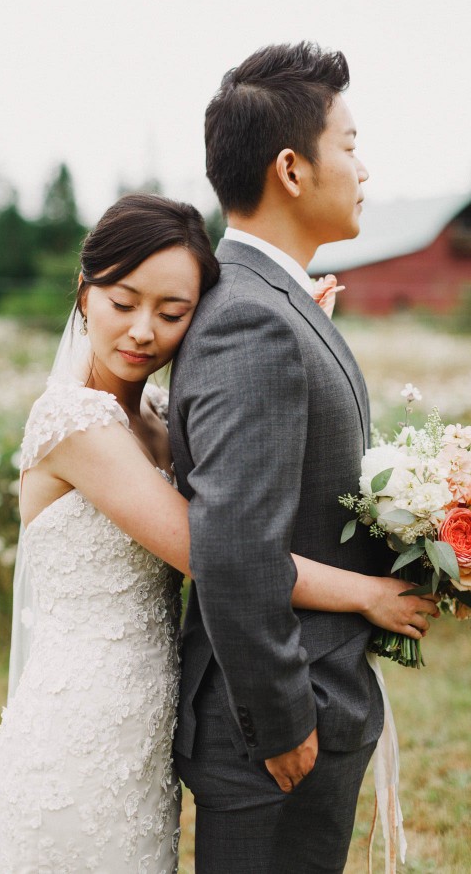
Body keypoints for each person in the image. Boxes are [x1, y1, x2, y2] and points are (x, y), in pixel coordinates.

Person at [0, 190, 435, 873]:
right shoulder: (75, 426)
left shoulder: (161, 417)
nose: (142, 331)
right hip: (80, 730)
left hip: (149, 728)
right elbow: (214, 550)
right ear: (83, 295)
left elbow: (244, 481)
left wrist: (292, 337)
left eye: (172, 313)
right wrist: (365, 593)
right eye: (122, 303)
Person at [167, 42, 439, 873]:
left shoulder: (275, 298)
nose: (362, 168)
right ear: (292, 167)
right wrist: (283, 721)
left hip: (313, 707)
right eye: (349, 145)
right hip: (281, 731)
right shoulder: (253, 318)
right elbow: (235, 545)